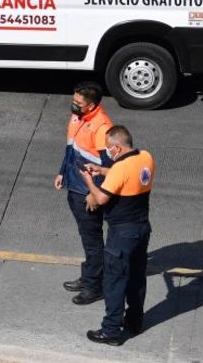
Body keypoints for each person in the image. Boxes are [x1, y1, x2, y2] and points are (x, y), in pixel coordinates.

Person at [79, 125, 155, 346]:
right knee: (136, 277)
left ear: (117, 147)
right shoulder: (145, 157)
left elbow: (101, 199)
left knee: (114, 281)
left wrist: (89, 180)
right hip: (142, 228)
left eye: (108, 149)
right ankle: (134, 321)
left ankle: (111, 330)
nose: (107, 153)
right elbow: (125, 177)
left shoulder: (120, 167)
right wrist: (101, 170)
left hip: (122, 232)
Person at [55, 82, 114, 305]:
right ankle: (89, 276)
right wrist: (62, 172)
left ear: (91, 105)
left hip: (86, 191)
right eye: (74, 100)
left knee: (92, 240)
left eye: (79, 103)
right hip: (74, 183)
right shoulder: (78, 117)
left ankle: (94, 286)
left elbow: (108, 167)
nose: (74, 105)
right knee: (86, 237)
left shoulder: (101, 128)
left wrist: (94, 193)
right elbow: (71, 148)